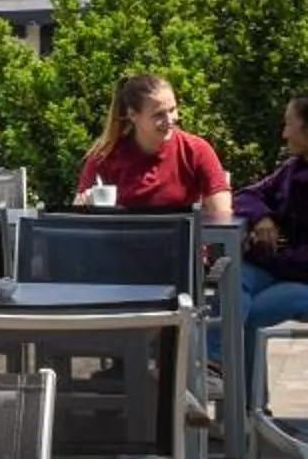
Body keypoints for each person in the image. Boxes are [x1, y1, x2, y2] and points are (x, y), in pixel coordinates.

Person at [76, 73, 231, 216]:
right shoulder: (105, 156)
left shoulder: (196, 151)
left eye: (172, 110)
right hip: (121, 244)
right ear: (132, 115)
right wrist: (86, 205)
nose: (170, 120)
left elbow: (222, 217)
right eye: (159, 114)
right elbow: (76, 220)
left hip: (181, 245)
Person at [234, 97, 308, 390]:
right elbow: (246, 195)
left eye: (289, 124)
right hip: (277, 267)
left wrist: (262, 254)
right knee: (233, 279)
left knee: (248, 314)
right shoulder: (292, 169)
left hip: (298, 275)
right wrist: (262, 218)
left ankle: (250, 410)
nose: (284, 133)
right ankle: (214, 357)